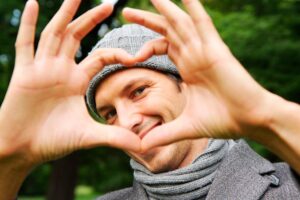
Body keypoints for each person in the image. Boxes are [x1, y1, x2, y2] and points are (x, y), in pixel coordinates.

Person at [0, 0, 299, 199]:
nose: (127, 121)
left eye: (138, 91)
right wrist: (9, 156)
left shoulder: (290, 184)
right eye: (109, 114)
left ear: (186, 84)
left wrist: (263, 115)